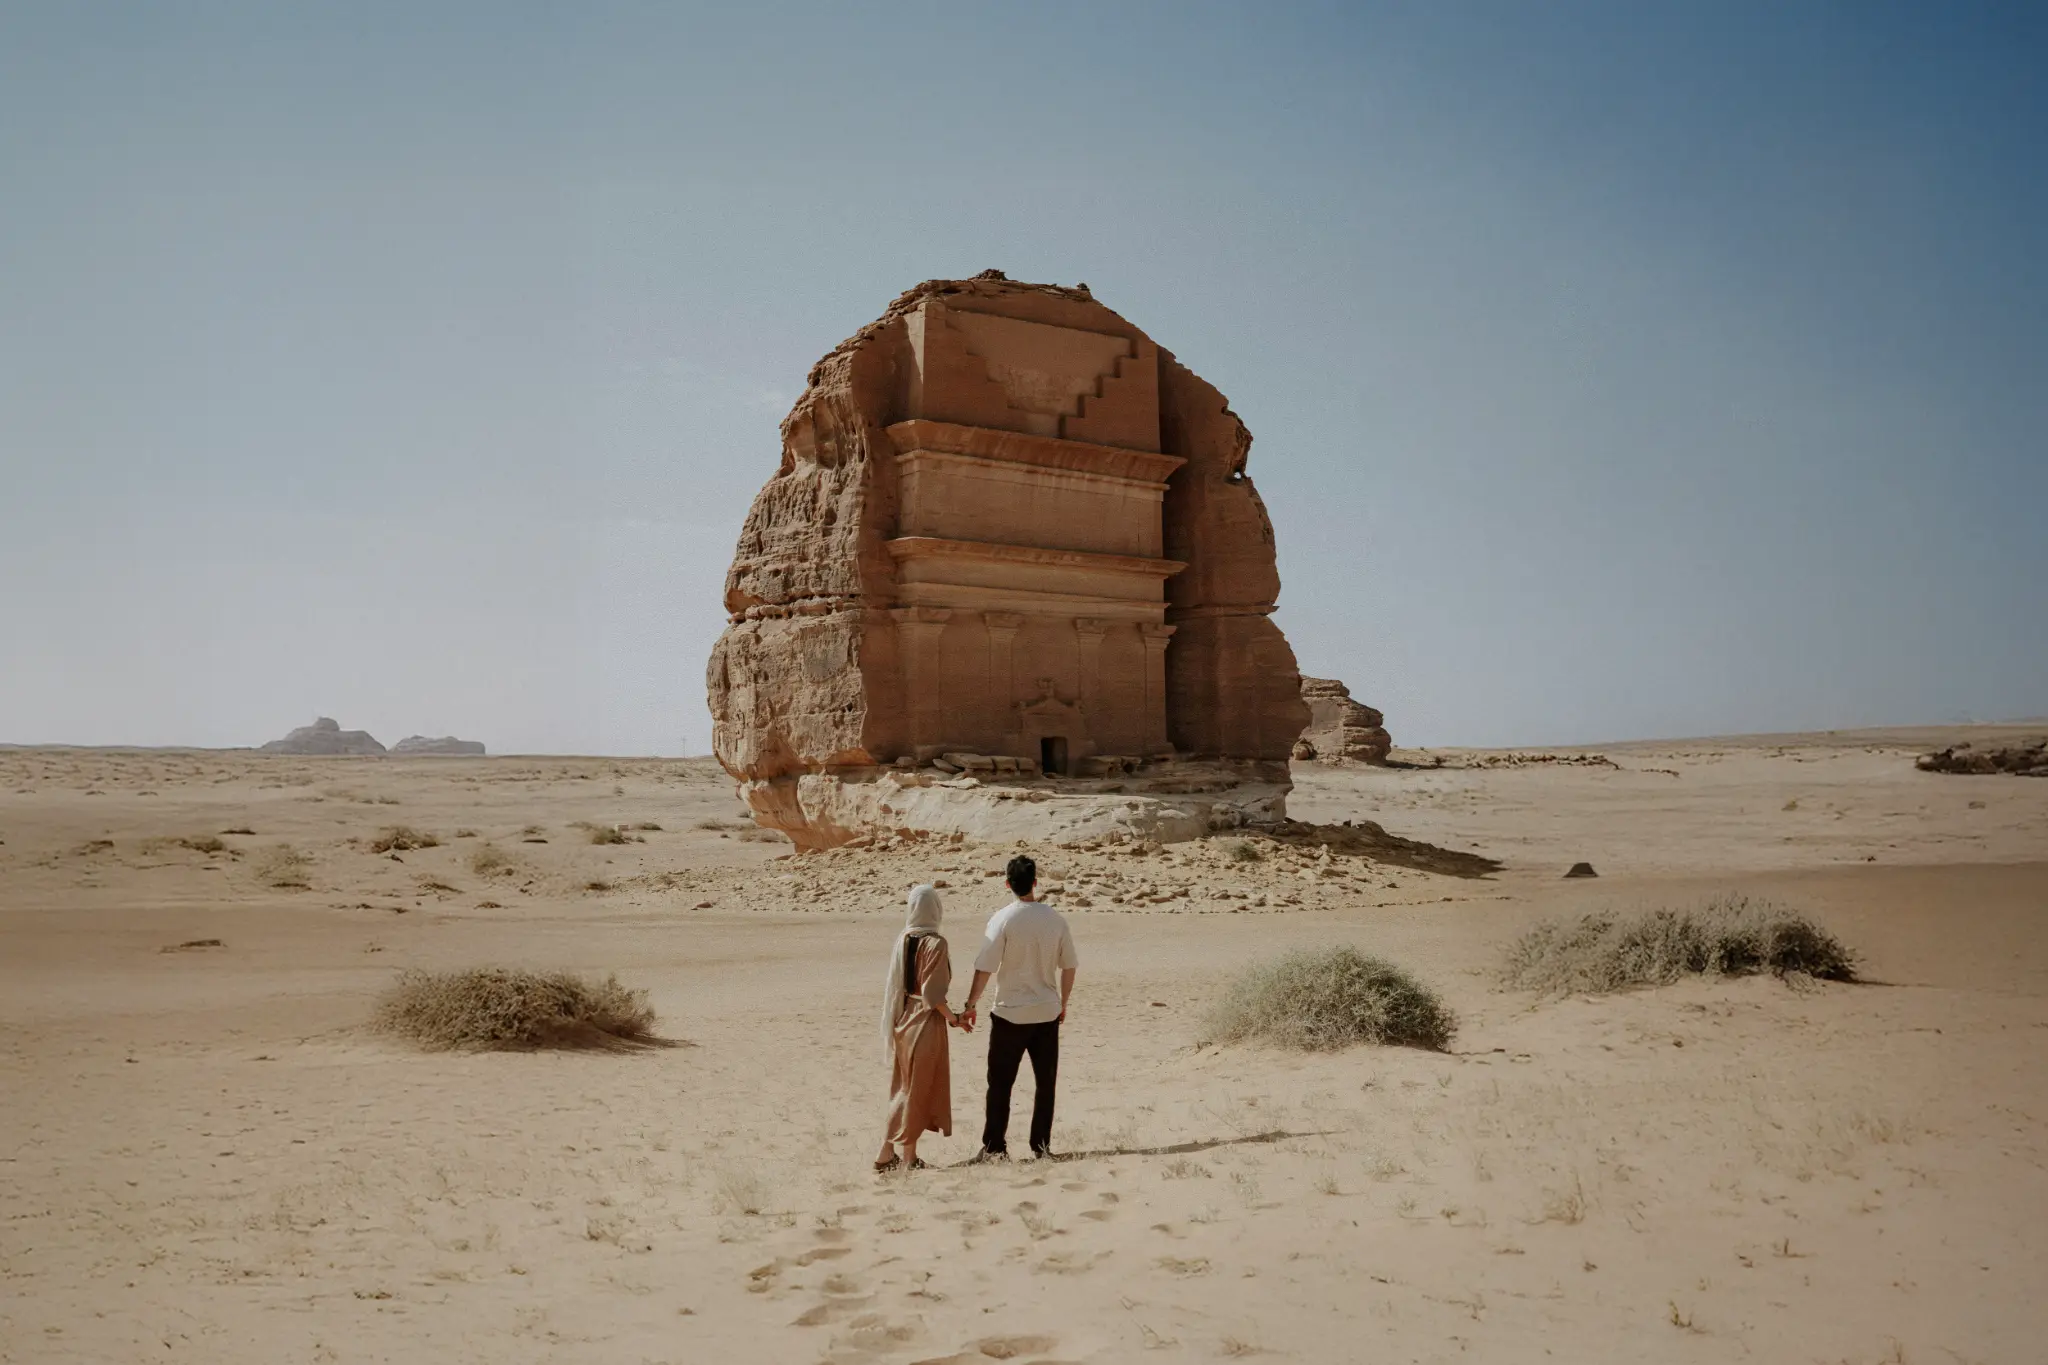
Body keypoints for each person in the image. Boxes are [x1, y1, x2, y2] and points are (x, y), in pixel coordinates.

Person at [961, 855, 1079, 1161]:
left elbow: (984, 966)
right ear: (1035, 883)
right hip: (1046, 1011)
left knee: (999, 1084)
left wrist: (970, 1004)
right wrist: (1063, 1003)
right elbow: (1069, 967)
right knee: (1045, 1083)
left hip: (1010, 1013)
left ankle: (994, 1147)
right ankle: (1041, 1147)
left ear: (1008, 884)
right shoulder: (1055, 919)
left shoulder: (1003, 919)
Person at [875, 884, 965, 1173]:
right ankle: (887, 1153)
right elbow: (932, 994)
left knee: (906, 1087)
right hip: (925, 1021)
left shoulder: (903, 939)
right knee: (913, 1089)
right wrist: (954, 1018)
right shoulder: (935, 943)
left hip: (903, 1019)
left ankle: (905, 1156)